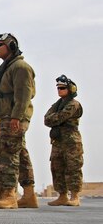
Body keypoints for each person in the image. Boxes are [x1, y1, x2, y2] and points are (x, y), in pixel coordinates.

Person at [0, 33, 37, 209]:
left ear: (11, 46)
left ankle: (9, 194)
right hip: (7, 117)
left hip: (14, 117)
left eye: (0, 44)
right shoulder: (9, 67)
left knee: (8, 155)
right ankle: (29, 195)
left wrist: (16, 117)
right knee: (20, 154)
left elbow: (23, 95)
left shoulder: (20, 67)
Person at [44, 75, 84, 206]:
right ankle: (62, 196)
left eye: (62, 88)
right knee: (57, 167)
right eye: (58, 88)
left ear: (70, 89)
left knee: (73, 167)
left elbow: (58, 118)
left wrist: (54, 118)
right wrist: (54, 118)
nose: (59, 90)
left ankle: (75, 196)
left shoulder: (73, 104)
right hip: (58, 141)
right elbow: (46, 119)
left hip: (71, 141)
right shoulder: (57, 105)